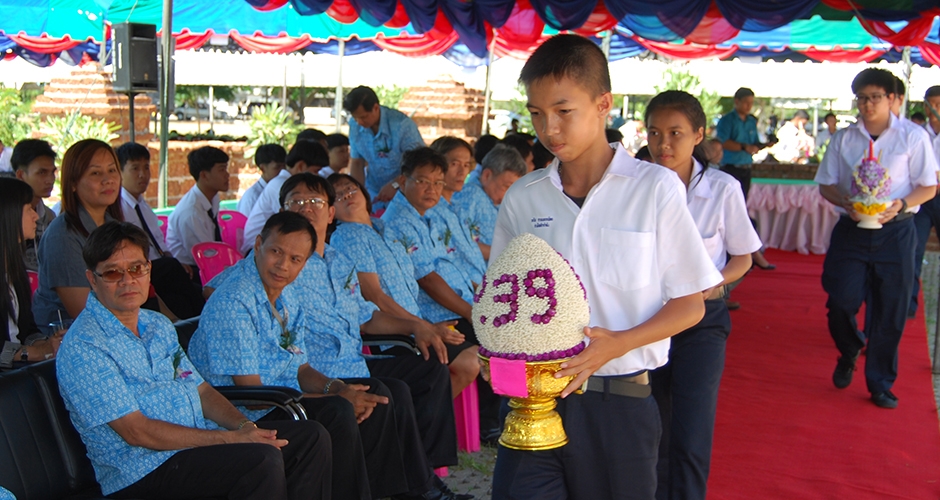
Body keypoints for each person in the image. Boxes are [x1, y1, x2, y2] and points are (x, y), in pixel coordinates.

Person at [489, 34, 722, 499]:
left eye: (563, 111)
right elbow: (503, 301)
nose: (549, 128)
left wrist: (616, 345)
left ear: (603, 105)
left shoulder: (654, 189)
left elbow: (691, 304)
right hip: (536, 402)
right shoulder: (524, 196)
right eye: (536, 114)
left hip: (620, 406)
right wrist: (495, 358)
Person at [57, 221, 331, 500]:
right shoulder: (85, 345)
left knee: (308, 438)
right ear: (92, 279)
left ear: (149, 271)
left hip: (195, 446)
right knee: (259, 460)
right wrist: (229, 439)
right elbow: (136, 432)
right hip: (142, 470)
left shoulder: (158, 325)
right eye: (114, 272)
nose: (128, 281)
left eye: (137, 268)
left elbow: (201, 391)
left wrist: (244, 427)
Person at [277, 174, 466, 493]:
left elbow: (367, 318)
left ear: (330, 212)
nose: (306, 209)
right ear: (282, 210)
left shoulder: (340, 262)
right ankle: (413, 486)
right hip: (318, 369)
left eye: (315, 202)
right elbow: (220, 288)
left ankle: (424, 473)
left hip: (351, 362)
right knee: (388, 393)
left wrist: (417, 325)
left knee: (429, 368)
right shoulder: (279, 262)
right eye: (297, 201)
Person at [645, 90, 762, 500]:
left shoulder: (723, 187)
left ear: (698, 134)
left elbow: (743, 257)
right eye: (655, 132)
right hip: (647, 321)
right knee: (652, 425)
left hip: (702, 319)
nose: (663, 143)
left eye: (675, 133)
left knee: (691, 429)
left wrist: (713, 284)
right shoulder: (634, 187)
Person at [816, 68, 938, 409]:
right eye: (862, 98)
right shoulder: (844, 138)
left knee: (890, 310)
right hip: (851, 231)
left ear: (891, 99)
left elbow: (928, 186)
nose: (868, 104)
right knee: (840, 300)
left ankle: (881, 383)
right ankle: (850, 348)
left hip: (896, 231)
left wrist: (902, 204)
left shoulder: (912, 137)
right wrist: (845, 202)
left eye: (875, 97)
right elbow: (826, 183)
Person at [381, 148, 498, 440]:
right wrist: (469, 310)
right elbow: (429, 280)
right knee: (478, 355)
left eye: (437, 183)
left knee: (501, 335)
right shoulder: (400, 221)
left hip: (448, 308)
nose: (431, 190)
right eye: (422, 181)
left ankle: (473, 425)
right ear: (402, 180)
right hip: (427, 315)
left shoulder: (426, 216)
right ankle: (423, 432)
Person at [328, 173, 478, 397]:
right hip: (395, 333)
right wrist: (422, 326)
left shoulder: (384, 229)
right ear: (331, 211)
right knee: (471, 360)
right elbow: (374, 296)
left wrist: (428, 323)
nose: (347, 196)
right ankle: (423, 423)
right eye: (338, 195)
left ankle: (430, 419)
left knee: (476, 354)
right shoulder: (349, 235)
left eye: (351, 189)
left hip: (416, 323)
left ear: (364, 194)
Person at [33, 139, 124, 328]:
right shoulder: (63, 237)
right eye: (96, 173)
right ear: (73, 183)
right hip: (69, 338)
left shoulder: (114, 226)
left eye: (112, 170)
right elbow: (84, 313)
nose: (108, 179)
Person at [116, 142, 204, 319]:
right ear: (120, 172)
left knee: (182, 296)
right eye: (135, 168)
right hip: (140, 271)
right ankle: (205, 318)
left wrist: (174, 260)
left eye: (146, 168)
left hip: (159, 270)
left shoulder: (143, 206)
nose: (143, 175)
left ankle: (192, 327)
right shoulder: (118, 208)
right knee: (172, 268)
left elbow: (159, 243)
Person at [0, 178, 61, 362]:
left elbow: (27, 328)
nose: (35, 216)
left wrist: (47, 343)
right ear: (9, 215)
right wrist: (32, 353)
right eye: (28, 209)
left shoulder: (14, 269)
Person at [716, 87, 776, 270]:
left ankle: (748, 253)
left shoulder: (751, 121)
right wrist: (743, 147)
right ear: (737, 101)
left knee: (742, 209)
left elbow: (752, 144)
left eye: (751, 103)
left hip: (746, 167)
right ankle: (748, 254)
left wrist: (764, 144)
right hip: (730, 168)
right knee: (732, 211)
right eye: (746, 103)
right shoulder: (727, 120)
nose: (749, 106)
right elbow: (722, 142)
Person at [344, 86, 425, 209]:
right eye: (356, 117)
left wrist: (395, 184)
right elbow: (357, 163)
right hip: (374, 191)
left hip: (404, 193)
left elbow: (419, 163)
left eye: (364, 117)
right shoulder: (354, 126)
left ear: (376, 108)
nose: (359, 122)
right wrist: (358, 193)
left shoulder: (402, 125)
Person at [241, 141, 329, 254]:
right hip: (256, 249)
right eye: (316, 171)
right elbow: (298, 222)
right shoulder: (280, 185)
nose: (317, 176)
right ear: (301, 166)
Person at [428, 137, 487, 285]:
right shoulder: (431, 212)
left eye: (467, 165)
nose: (462, 172)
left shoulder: (455, 208)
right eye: (454, 164)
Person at [452, 144, 526, 261]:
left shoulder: (494, 201)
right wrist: (509, 255)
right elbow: (459, 242)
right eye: (506, 187)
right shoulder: (471, 195)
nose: (508, 196)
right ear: (487, 176)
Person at [166, 146, 230, 270]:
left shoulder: (212, 198)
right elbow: (206, 257)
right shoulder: (191, 212)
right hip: (191, 271)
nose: (227, 175)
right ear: (204, 175)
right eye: (222, 170)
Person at [910, 86, 940, 318]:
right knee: (913, 249)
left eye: (938, 105)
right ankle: (908, 305)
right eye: (930, 105)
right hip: (922, 200)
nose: (934, 110)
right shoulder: (917, 134)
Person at [11, 139, 58, 272]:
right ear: (21, 175)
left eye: (52, 172)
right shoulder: (6, 215)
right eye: (42, 172)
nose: (50, 179)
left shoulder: (49, 216)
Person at [237, 144, 285, 216]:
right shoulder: (252, 197)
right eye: (277, 167)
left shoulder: (283, 189)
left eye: (284, 166)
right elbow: (245, 225)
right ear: (263, 168)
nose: (283, 171)